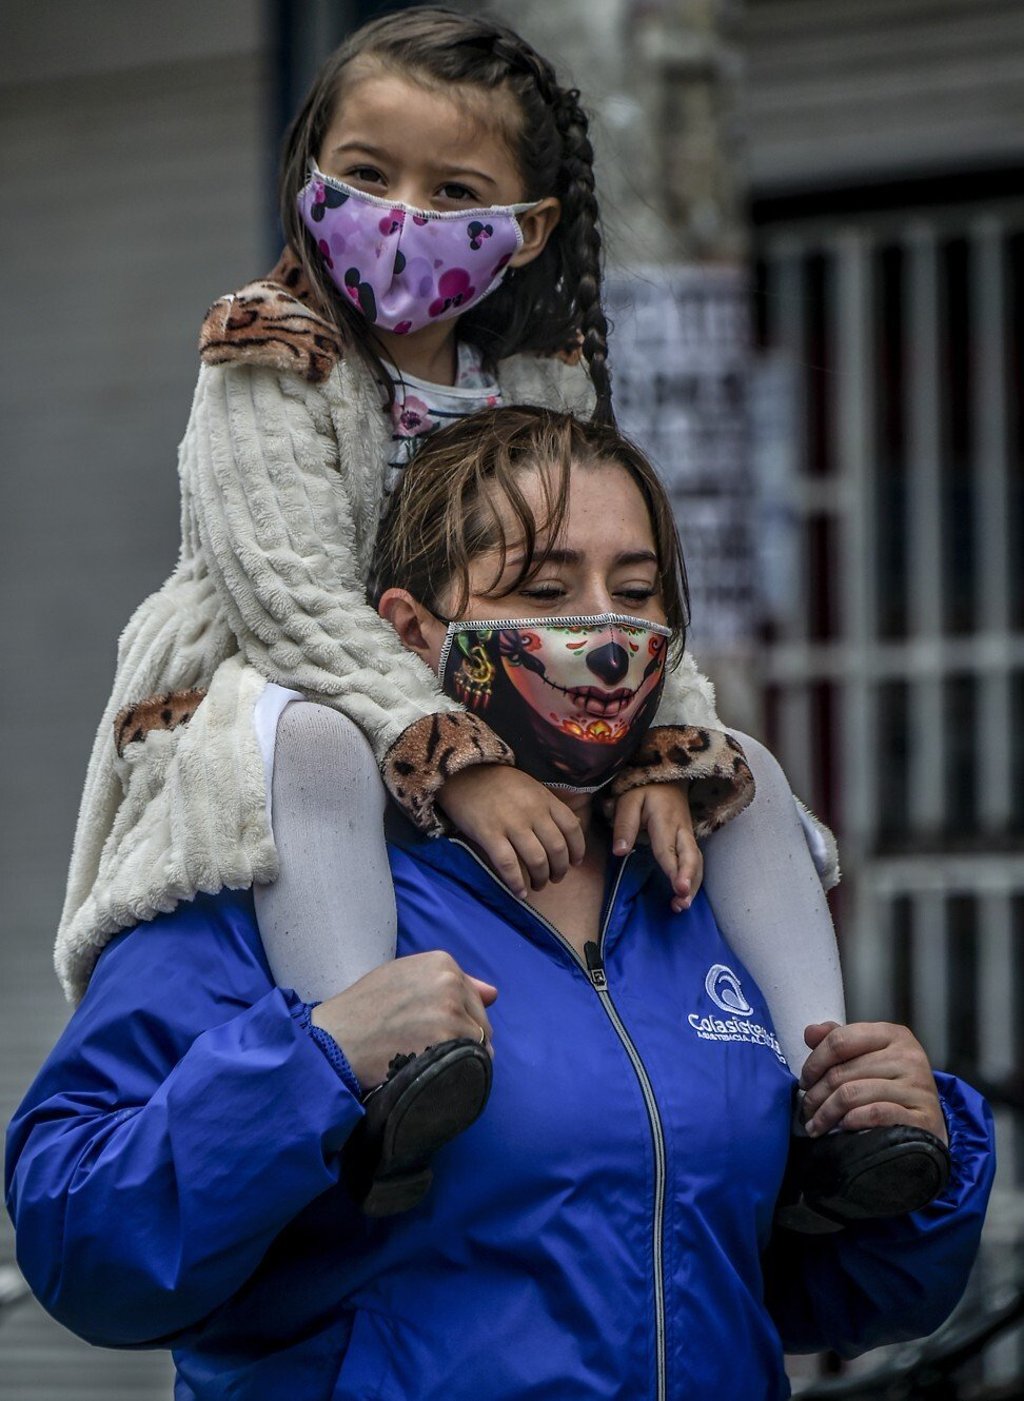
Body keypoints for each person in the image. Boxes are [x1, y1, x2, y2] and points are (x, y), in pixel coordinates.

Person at [7, 407, 994, 1400]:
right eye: (544, 588)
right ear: (410, 631)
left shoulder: (696, 885)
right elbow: (81, 1243)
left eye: (637, 590)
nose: (605, 628)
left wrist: (912, 1150)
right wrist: (315, 1063)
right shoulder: (267, 871)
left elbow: (820, 1299)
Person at [57, 6, 848, 1206]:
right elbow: (291, 598)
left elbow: (614, 571)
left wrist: (668, 749)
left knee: (741, 770)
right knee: (316, 746)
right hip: (284, 677)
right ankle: (390, 1082)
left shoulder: (541, 373)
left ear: (526, 230)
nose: (401, 217)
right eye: (367, 175)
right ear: (309, 167)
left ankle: (828, 1102)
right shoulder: (271, 350)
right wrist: (457, 760)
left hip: (487, 685)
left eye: (452, 190)